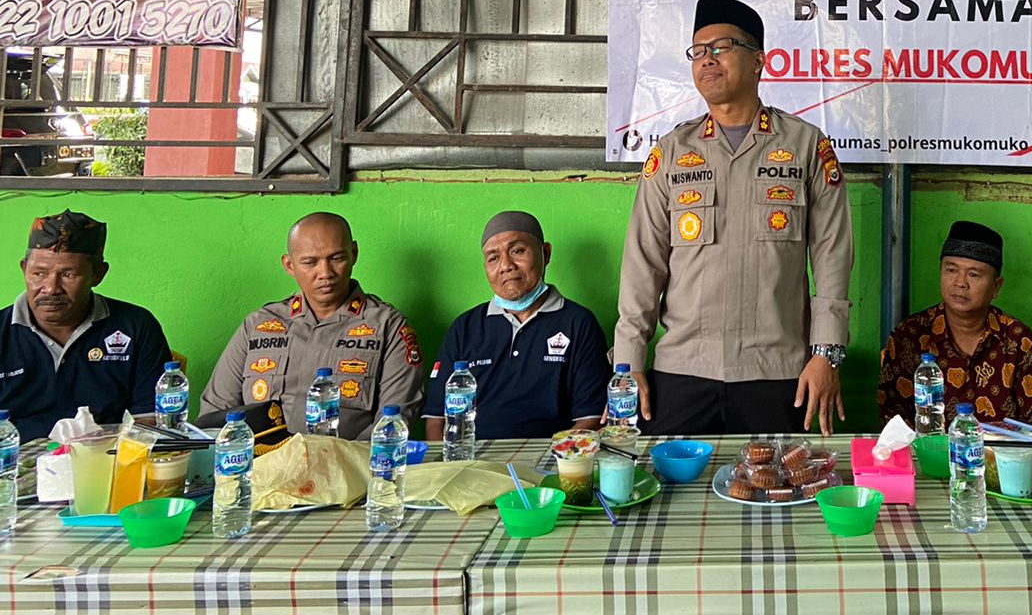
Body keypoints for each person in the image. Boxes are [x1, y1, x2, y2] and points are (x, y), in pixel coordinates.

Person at [615, 0, 854, 436]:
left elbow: (833, 256)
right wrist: (628, 364)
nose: (707, 59)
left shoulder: (805, 146)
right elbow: (642, 264)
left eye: (721, 47)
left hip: (779, 371)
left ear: (759, 60)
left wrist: (827, 354)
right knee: (668, 480)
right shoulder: (671, 152)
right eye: (698, 51)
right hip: (683, 370)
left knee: (782, 478)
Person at [200, 212, 424, 438]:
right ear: (289, 265)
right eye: (310, 262)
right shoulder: (259, 325)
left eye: (336, 258)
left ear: (354, 254)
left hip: (347, 459)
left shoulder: (387, 327)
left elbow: (393, 422)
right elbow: (216, 414)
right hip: (261, 459)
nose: (325, 273)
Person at [424, 211, 608, 439]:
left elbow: (590, 420)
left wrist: (554, 455)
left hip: (551, 454)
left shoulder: (578, 323)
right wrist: (449, 459)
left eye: (518, 251)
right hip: (471, 456)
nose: (506, 265)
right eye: (493, 258)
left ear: (546, 253)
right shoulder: (465, 328)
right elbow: (437, 420)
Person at [0, 209, 171, 440]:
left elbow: (150, 422)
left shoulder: (136, 327)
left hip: (105, 456)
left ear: (98, 274)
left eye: (68, 275)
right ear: (24, 269)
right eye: (38, 273)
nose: (51, 288)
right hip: (12, 458)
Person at [876, 220, 1032, 427]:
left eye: (973, 274)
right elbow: (893, 425)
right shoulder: (909, 336)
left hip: (1002, 449)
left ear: (996, 287)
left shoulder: (1019, 340)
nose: (960, 283)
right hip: (926, 448)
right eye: (951, 270)